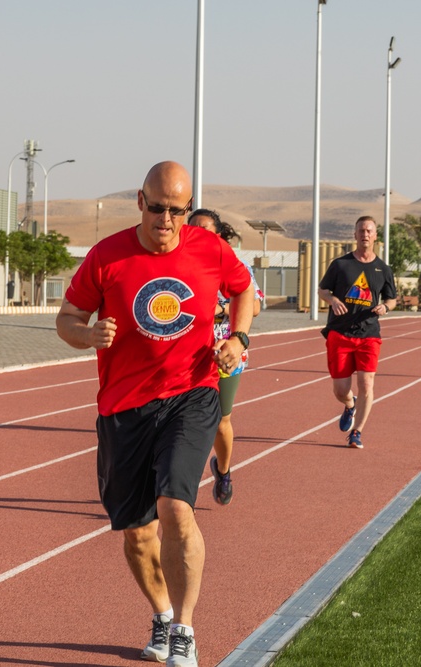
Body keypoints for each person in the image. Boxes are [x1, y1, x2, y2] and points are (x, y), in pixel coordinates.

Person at [55, 161, 254, 667]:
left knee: (176, 508)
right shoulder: (107, 256)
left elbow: (243, 289)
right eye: (159, 207)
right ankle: (162, 614)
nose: (167, 219)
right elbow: (67, 318)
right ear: (141, 202)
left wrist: (238, 336)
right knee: (138, 532)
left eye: (178, 210)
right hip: (124, 408)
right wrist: (86, 335)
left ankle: (184, 628)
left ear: (188, 210)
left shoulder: (210, 248)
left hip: (192, 393)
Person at [187, 208, 264, 506]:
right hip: (190, 353)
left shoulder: (237, 264)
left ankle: (224, 470)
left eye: (206, 229)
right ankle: (179, 489)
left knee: (221, 420)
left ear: (218, 235)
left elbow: (254, 307)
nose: (199, 234)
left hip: (226, 354)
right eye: (193, 228)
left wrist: (220, 311)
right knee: (187, 422)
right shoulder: (178, 263)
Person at [317, 216, 397, 449]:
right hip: (340, 333)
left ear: (375, 236)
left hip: (369, 333)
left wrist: (386, 307)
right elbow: (322, 290)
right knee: (341, 389)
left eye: (369, 231)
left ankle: (357, 432)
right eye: (361, 230)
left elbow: (392, 298)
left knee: (367, 383)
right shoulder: (341, 265)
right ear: (355, 234)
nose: (365, 234)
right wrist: (332, 300)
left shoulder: (383, 269)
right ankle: (350, 405)